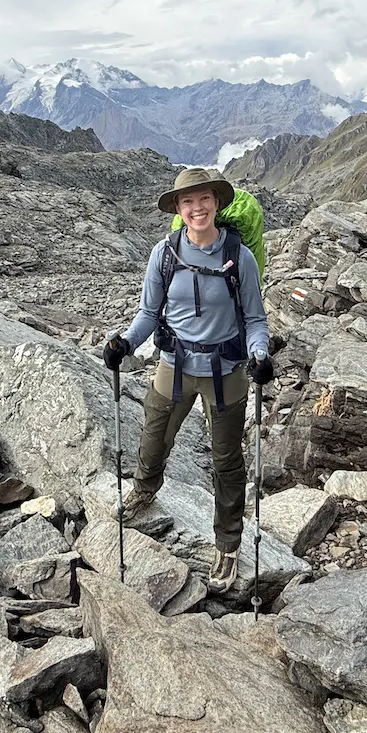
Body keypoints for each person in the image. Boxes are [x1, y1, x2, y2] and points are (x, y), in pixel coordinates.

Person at [104, 167, 273, 595]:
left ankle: (228, 543)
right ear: (179, 209)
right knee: (153, 437)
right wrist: (126, 343)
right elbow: (148, 313)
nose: (197, 208)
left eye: (204, 200)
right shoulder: (163, 254)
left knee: (226, 462)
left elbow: (255, 319)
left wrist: (259, 356)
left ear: (216, 203)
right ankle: (144, 491)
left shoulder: (240, 256)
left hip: (226, 374)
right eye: (188, 202)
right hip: (173, 366)